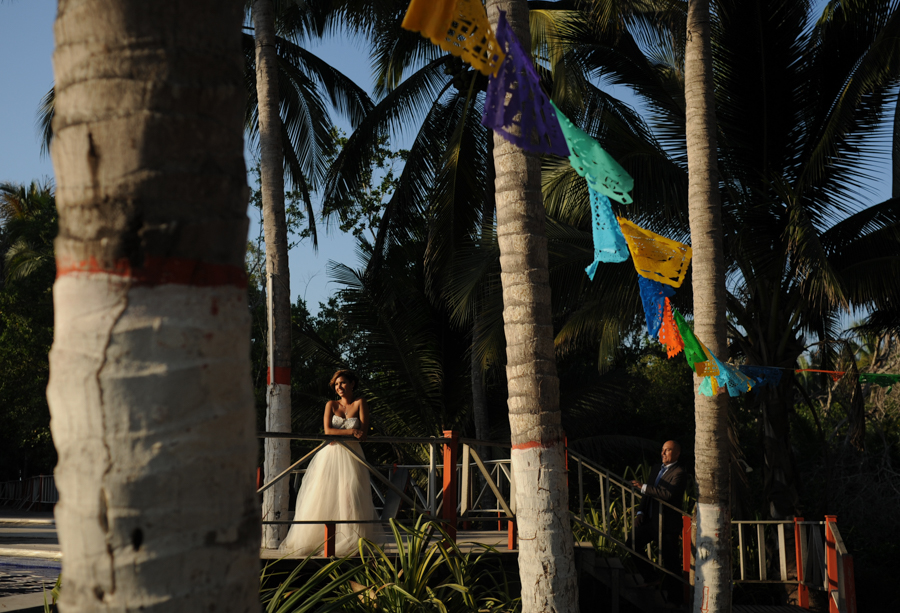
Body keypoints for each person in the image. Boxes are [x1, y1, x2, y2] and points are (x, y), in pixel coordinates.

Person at [278, 369, 379, 556]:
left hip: (352, 455)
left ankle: (351, 539)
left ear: (352, 384)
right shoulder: (331, 404)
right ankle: (319, 540)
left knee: (351, 495)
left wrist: (348, 433)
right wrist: (350, 432)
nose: (339, 387)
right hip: (330, 455)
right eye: (336, 384)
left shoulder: (360, 403)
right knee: (324, 494)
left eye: (343, 383)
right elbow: (327, 431)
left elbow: (363, 433)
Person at [628, 440, 687, 604]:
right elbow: (647, 494)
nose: (663, 453)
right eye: (662, 450)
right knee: (632, 542)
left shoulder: (679, 472)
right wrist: (640, 512)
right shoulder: (656, 469)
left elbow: (668, 494)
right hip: (651, 520)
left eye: (667, 450)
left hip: (668, 525)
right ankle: (651, 576)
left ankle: (676, 600)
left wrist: (643, 487)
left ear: (676, 453)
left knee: (671, 562)